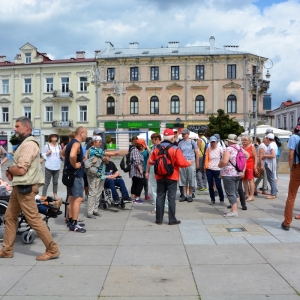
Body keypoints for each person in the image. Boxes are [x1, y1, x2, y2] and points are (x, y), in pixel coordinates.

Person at [0, 116, 59, 260]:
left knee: (34, 219)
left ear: (27, 128)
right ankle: (7, 250)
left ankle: (52, 249)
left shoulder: (29, 145)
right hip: (19, 186)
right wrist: (11, 170)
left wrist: (9, 169)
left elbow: (20, 170)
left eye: (17, 126)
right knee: (10, 217)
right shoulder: (23, 143)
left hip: (25, 187)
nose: (15, 128)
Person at [146, 128, 193, 225]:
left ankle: (159, 220)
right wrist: (189, 163)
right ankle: (172, 220)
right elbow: (181, 163)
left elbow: (150, 161)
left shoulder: (156, 148)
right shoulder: (175, 149)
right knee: (171, 198)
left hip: (159, 176)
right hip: (172, 176)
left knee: (160, 196)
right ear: (172, 137)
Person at [86, 136, 119, 218]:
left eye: (101, 141)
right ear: (94, 141)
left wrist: (106, 158)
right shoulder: (92, 150)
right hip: (94, 174)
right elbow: (104, 153)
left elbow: (104, 158)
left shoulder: (99, 150)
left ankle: (95, 210)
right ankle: (90, 212)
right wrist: (115, 153)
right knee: (92, 193)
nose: (100, 142)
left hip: (101, 174)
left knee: (98, 193)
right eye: (99, 141)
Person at [219, 134, 249, 217]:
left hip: (229, 174)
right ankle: (233, 209)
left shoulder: (228, 149)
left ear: (229, 141)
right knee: (235, 192)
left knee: (230, 193)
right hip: (237, 173)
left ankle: (234, 211)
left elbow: (225, 162)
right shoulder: (239, 148)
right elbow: (247, 155)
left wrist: (219, 165)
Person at [64, 126, 88, 232]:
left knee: (71, 198)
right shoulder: (77, 143)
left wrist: (69, 164)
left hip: (69, 174)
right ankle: (74, 223)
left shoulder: (70, 142)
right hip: (76, 175)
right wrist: (75, 165)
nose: (86, 136)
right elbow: (73, 155)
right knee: (78, 198)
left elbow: (63, 153)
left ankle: (70, 220)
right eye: (86, 133)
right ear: (81, 133)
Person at [282, 124, 300, 230]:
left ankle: (287, 223)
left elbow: (290, 155)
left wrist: (291, 168)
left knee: (291, 196)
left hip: (297, 167)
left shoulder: (294, 137)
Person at [145, 133, 168, 214]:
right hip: (153, 170)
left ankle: (167, 207)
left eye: (153, 140)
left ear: (156, 139)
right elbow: (149, 160)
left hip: (162, 171)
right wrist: (147, 171)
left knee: (164, 189)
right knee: (154, 189)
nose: (152, 142)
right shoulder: (152, 148)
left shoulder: (164, 147)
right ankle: (157, 207)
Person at [178, 128, 199, 203]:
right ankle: (185, 195)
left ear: (188, 134)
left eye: (184, 134)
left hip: (191, 162)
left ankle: (190, 195)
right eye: (182, 134)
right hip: (183, 163)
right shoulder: (180, 143)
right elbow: (179, 153)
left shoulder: (192, 142)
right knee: (183, 180)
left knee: (191, 179)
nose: (183, 135)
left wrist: (197, 163)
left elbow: (197, 152)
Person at [204, 136, 225, 205]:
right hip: (209, 169)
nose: (212, 143)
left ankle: (221, 199)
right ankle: (212, 199)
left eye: (213, 142)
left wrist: (222, 166)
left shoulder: (220, 149)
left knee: (218, 185)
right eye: (211, 142)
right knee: (210, 185)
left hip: (217, 169)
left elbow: (224, 157)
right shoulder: (208, 149)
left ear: (216, 142)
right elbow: (206, 158)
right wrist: (205, 166)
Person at [41, 133, 62, 200]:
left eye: (55, 136)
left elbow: (60, 155)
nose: (54, 137)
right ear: (50, 138)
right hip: (49, 166)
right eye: (53, 136)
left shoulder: (59, 146)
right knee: (47, 182)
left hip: (57, 166)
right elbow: (43, 154)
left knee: (55, 182)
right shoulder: (47, 146)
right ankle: (43, 195)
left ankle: (55, 196)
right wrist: (47, 153)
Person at [241, 135, 257, 202]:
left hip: (250, 165)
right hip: (243, 166)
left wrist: (255, 166)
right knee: (244, 180)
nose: (243, 141)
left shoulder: (252, 147)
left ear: (249, 141)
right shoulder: (242, 147)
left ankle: (251, 195)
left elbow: (255, 157)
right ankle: (247, 194)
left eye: (245, 140)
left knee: (250, 180)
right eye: (243, 140)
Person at [129, 139, 146, 204]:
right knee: (140, 183)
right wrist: (141, 169)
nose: (142, 147)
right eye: (142, 145)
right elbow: (137, 161)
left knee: (135, 183)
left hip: (134, 171)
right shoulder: (135, 151)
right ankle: (137, 198)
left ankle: (133, 198)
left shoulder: (133, 149)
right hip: (136, 171)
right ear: (139, 145)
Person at [262, 133, 278, 199]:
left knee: (271, 178)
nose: (266, 139)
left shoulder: (271, 145)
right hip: (271, 163)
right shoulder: (274, 144)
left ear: (268, 138)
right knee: (272, 178)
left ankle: (273, 194)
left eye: (266, 138)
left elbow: (273, 155)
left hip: (269, 163)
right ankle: (274, 192)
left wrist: (264, 155)